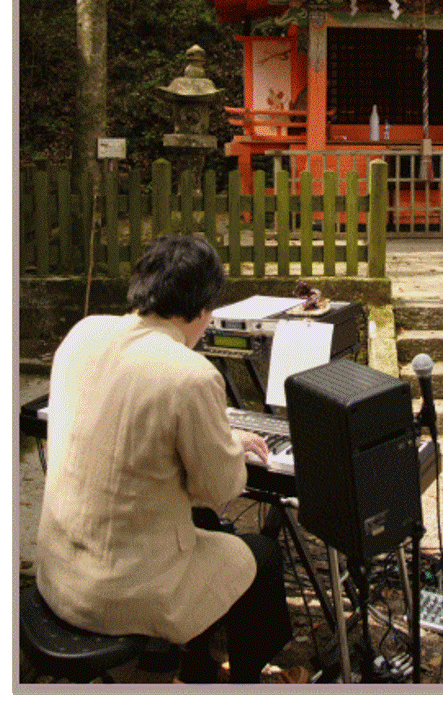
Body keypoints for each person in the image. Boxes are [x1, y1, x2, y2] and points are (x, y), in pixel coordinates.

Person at [36, 234, 300, 684]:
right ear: (202, 311)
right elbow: (220, 489)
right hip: (117, 593)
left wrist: (216, 439)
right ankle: (239, 679)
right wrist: (229, 446)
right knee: (261, 554)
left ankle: (198, 667)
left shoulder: (85, 331)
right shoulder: (190, 374)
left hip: (58, 573)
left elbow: (130, 427)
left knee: (205, 531)